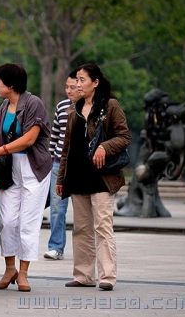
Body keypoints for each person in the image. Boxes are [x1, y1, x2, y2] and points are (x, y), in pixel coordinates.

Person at [56, 63, 131, 291]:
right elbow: (66, 148)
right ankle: (83, 275)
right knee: (81, 229)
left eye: (82, 80)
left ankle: (107, 277)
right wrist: (60, 179)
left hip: (101, 177)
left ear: (95, 82)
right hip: (78, 177)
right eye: (76, 80)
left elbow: (124, 136)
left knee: (103, 226)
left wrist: (104, 147)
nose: (78, 84)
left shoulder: (110, 106)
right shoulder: (73, 109)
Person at [0, 63, 51, 292]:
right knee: (8, 221)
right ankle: (10, 268)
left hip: (33, 167)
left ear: (11, 84)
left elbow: (29, 139)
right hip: (9, 169)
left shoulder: (33, 104)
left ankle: (24, 273)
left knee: (27, 223)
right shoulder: (4, 106)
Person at [44, 69, 80, 260]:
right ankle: (56, 247)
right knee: (57, 208)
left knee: (83, 210)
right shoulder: (61, 107)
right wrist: (50, 161)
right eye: (66, 87)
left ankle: (83, 249)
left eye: (72, 87)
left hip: (81, 167)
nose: (68, 90)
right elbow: (55, 136)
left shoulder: (90, 108)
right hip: (59, 165)